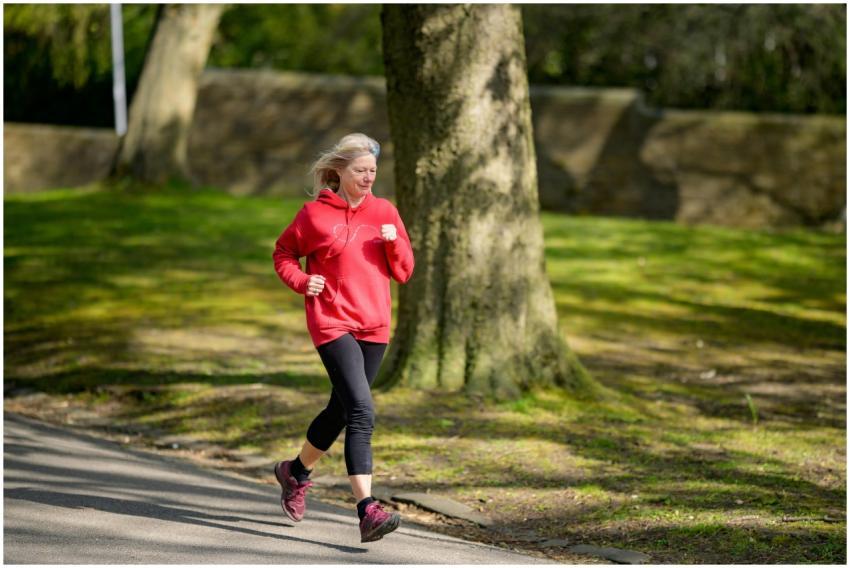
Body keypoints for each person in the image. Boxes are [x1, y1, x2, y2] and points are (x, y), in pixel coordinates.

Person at [271, 133, 415, 543]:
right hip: (332, 322)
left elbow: (404, 272)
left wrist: (394, 243)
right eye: (360, 171)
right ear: (339, 171)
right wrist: (301, 280)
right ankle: (367, 509)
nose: (368, 177)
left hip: (374, 325)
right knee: (362, 411)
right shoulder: (314, 215)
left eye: (372, 170)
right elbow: (283, 252)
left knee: (341, 409)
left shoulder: (385, 212)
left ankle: (295, 472)